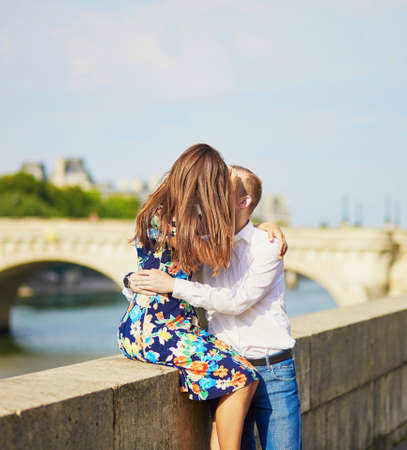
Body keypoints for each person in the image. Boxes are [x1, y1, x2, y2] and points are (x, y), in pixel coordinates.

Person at [126, 165, 302, 450]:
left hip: (273, 372)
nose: (213, 193)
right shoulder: (201, 244)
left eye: (223, 189)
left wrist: (172, 285)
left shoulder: (267, 245)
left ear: (244, 202)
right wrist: (133, 281)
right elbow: (154, 267)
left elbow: (237, 301)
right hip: (230, 373)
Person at [117, 145, 260, 450]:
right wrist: (255, 229)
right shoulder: (168, 220)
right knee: (242, 378)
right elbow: (220, 254)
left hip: (170, 327)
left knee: (242, 375)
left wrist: (262, 228)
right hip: (154, 331)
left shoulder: (163, 211)